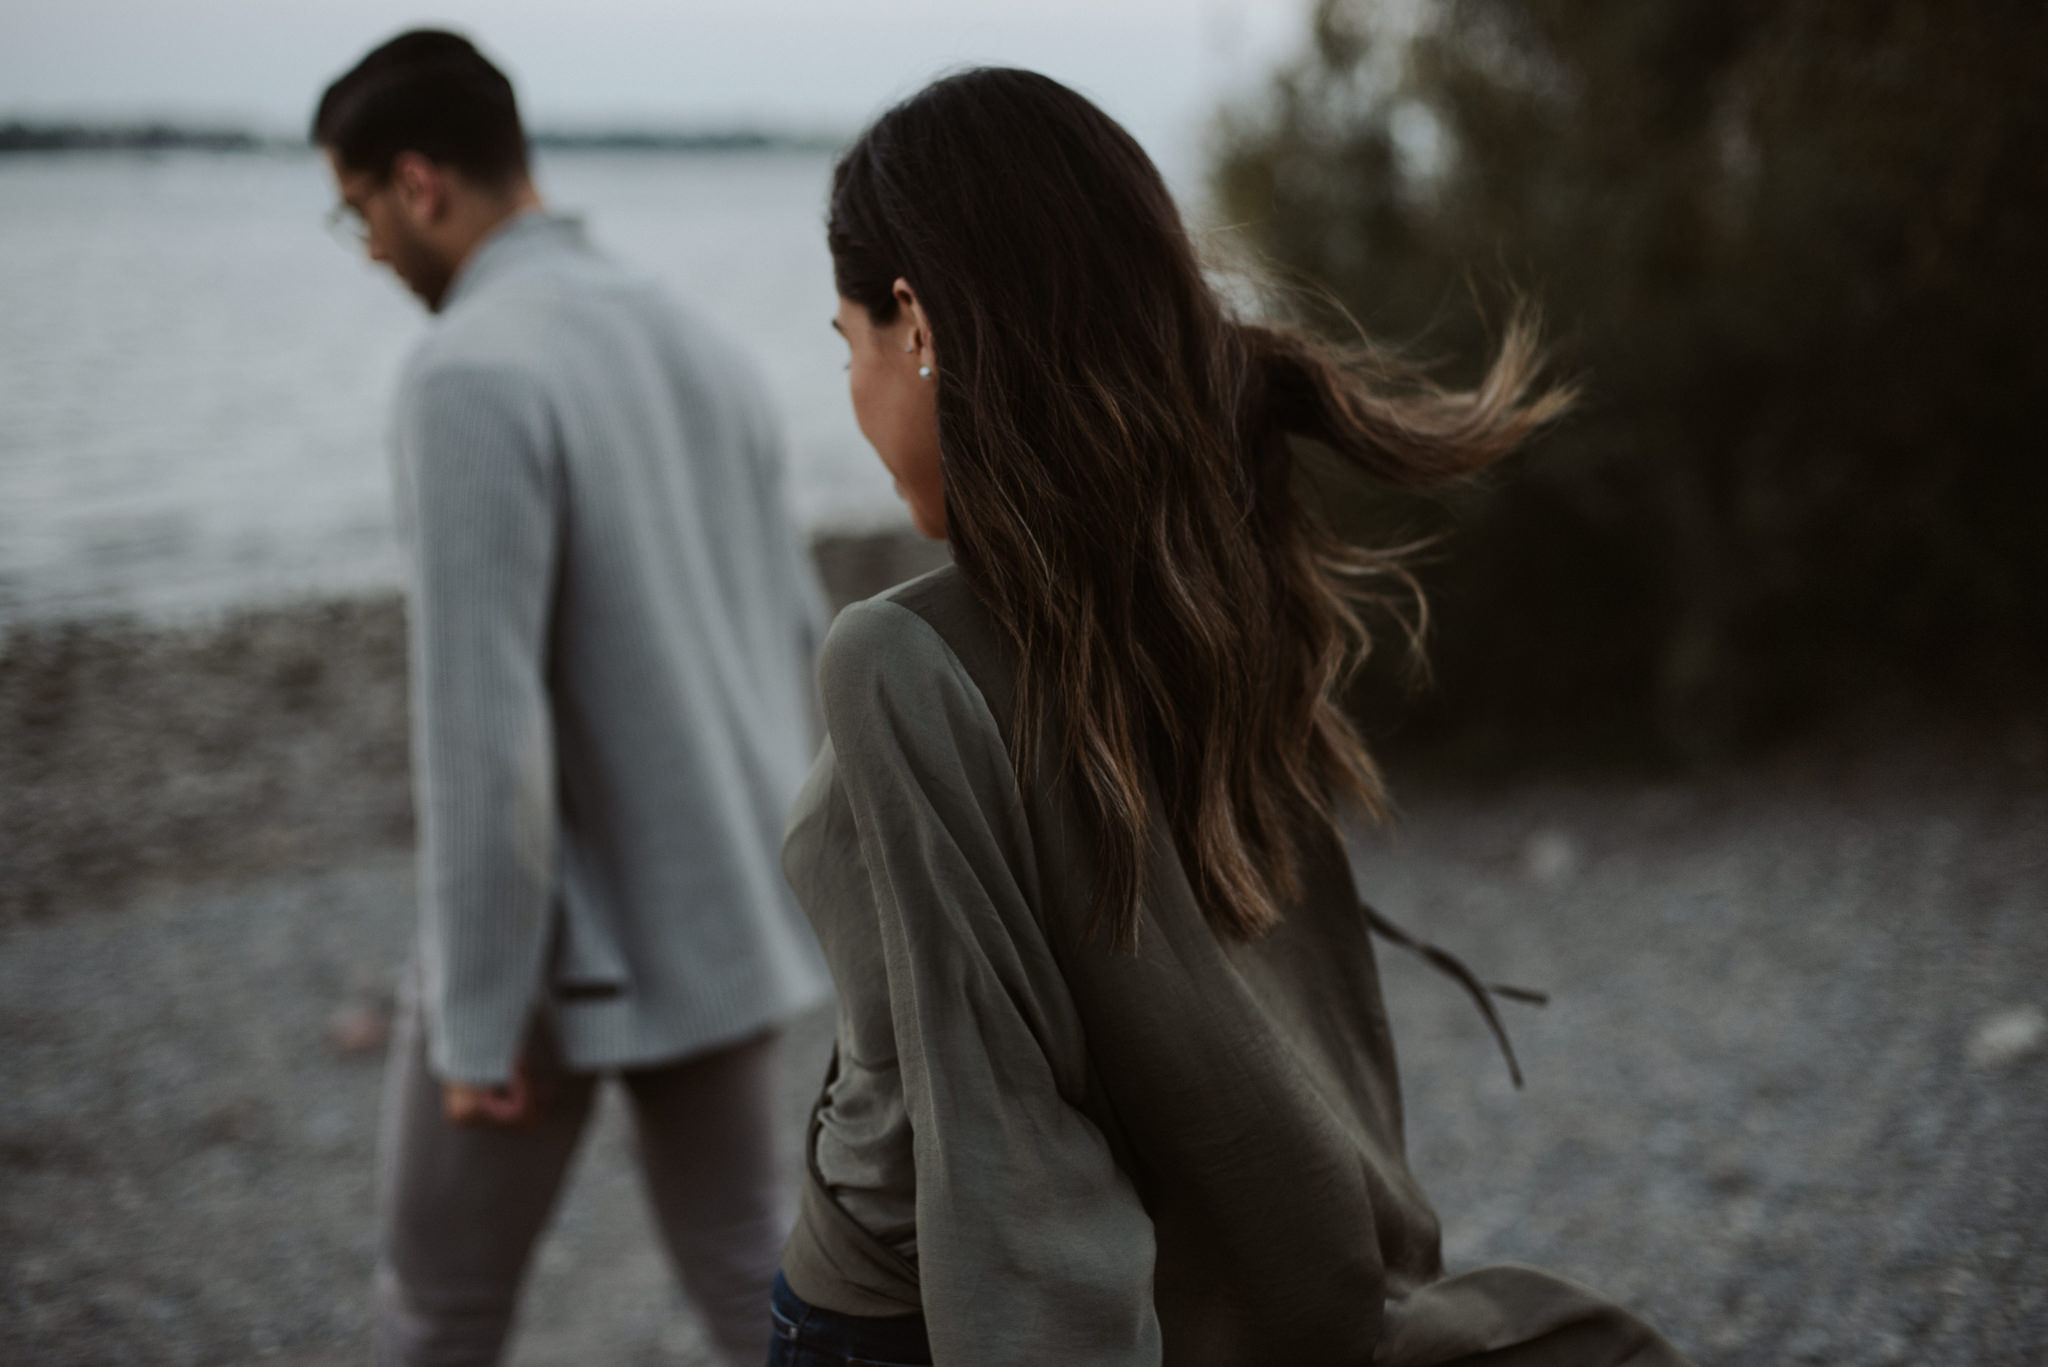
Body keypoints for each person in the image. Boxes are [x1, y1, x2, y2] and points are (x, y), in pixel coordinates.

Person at [770, 67, 1694, 1367]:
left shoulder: (902, 659)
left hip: (908, 1315)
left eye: (850, 343)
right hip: (1176, 1277)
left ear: (915, 322)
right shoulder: (1197, 583)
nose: (856, 398)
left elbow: (999, 1123)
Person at [310, 30, 829, 1367]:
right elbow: (798, 634)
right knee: (753, 1283)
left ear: (418, 182)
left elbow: (483, 733)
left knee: (440, 1308)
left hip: (545, 959)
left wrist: (477, 1018)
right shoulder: (700, 340)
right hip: (721, 909)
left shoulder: (469, 370)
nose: (363, 246)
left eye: (356, 208)